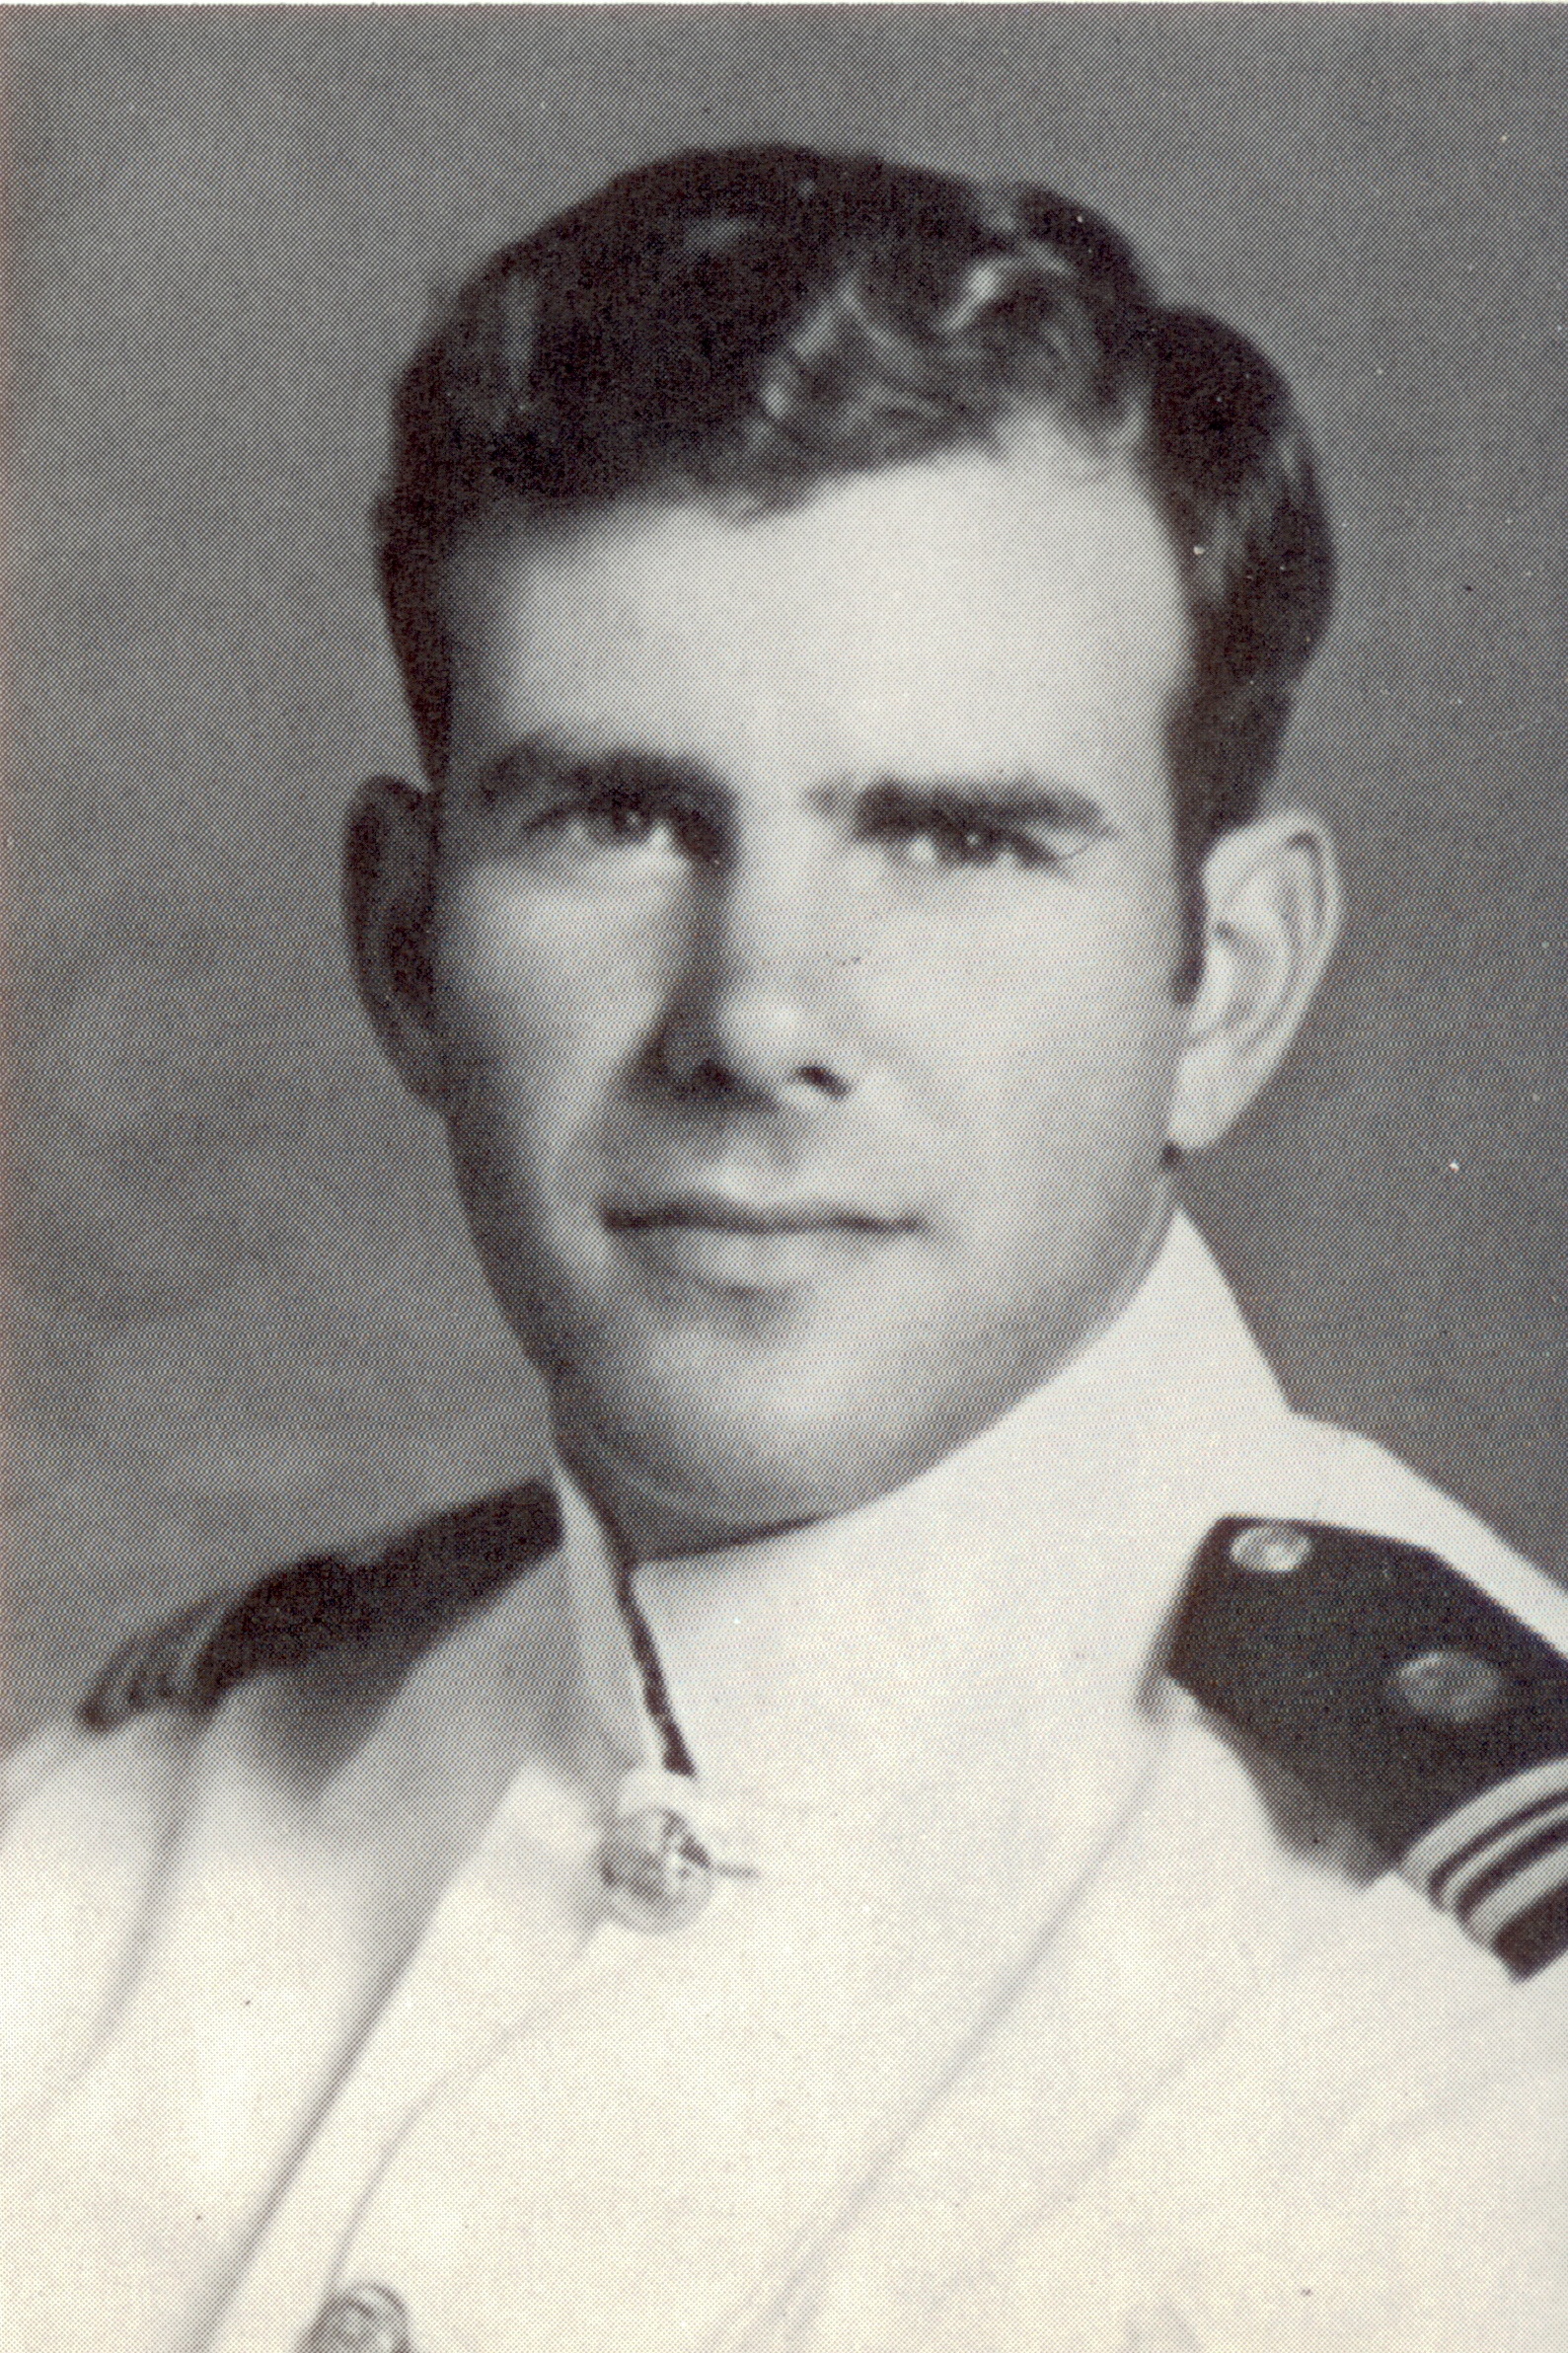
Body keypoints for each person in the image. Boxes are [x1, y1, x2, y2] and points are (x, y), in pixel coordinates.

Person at [4, 144, 1567, 2353]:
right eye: (620, 818)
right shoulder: (97, 1880)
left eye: (956, 840)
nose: (755, 1018)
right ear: (407, 946)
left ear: (1221, 983)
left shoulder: (1479, 2046)